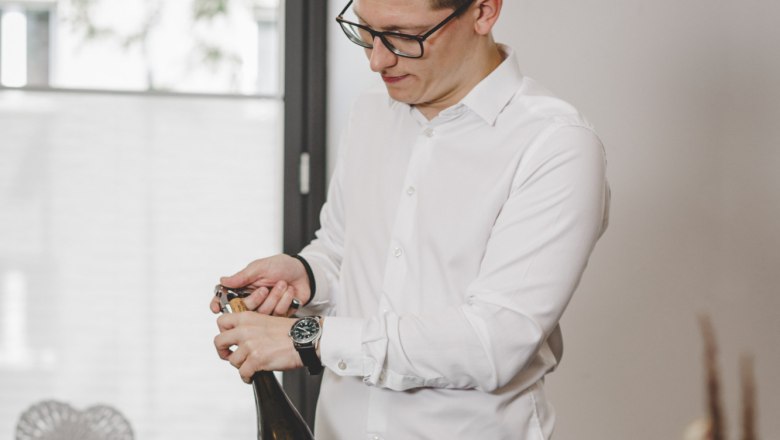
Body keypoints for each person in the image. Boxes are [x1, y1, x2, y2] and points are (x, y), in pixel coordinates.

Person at [211, 0, 610, 438]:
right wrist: (307, 275)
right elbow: (342, 250)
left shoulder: (556, 144)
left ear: (483, 12)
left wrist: (311, 338)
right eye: (364, 31)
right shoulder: (369, 113)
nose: (378, 60)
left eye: (404, 36)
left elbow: (495, 342)